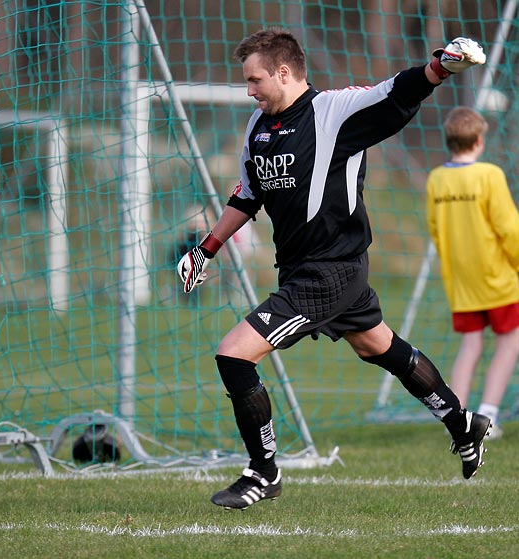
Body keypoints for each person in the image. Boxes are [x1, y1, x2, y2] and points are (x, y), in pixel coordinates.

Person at [176, 29, 490, 510]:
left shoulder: (334, 112)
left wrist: (442, 67)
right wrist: (208, 248)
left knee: (235, 355)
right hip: (302, 270)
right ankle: (463, 423)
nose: (249, 90)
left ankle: (263, 472)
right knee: (380, 347)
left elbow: (395, 91)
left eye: (255, 79)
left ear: (284, 72)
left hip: (331, 272)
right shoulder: (257, 128)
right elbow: (247, 194)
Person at [426, 106, 519, 441]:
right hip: (497, 278)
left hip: (462, 281)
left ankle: (457, 419)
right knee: (510, 340)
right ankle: (489, 414)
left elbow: (436, 229)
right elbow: (508, 228)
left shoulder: (437, 179)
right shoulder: (489, 175)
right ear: (479, 140)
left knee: (470, 345)